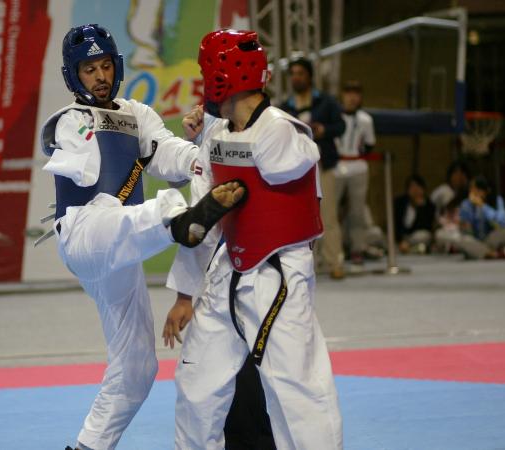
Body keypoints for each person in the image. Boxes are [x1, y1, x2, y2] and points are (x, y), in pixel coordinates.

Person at [42, 24, 246, 450]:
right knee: (144, 210)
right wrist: (76, 142)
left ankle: (87, 446)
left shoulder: (137, 115)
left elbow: (173, 154)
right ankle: (182, 223)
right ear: (72, 76)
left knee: (137, 367)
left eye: (103, 67)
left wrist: (206, 146)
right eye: (88, 70)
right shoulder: (70, 122)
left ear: (115, 67)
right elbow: (70, 153)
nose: (98, 77)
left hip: (120, 253)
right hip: (86, 232)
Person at [163, 29, 342, 450]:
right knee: (197, 385)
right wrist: (186, 292)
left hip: (277, 272)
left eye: (207, 70)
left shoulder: (283, 132)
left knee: (295, 391)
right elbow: (205, 216)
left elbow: (298, 160)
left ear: (221, 74)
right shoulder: (219, 134)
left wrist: (212, 122)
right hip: (229, 268)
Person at [278, 57, 346, 279]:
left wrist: (323, 130)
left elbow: (341, 125)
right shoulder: (284, 107)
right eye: (293, 74)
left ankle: (335, 261)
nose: (296, 78)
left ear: (309, 76)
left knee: (328, 215)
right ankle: (304, 264)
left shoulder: (326, 102)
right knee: (298, 217)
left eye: (300, 73)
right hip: (296, 168)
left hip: (322, 164)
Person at [333, 80, 376, 264]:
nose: (352, 97)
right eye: (348, 93)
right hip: (336, 167)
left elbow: (370, 144)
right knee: (330, 211)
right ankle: (332, 250)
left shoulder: (366, 120)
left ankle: (358, 248)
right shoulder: (334, 116)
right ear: (342, 95)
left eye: (356, 93)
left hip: (357, 166)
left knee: (358, 211)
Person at [457, 176, 505, 259]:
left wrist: (482, 206)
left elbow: (502, 222)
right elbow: (465, 230)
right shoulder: (466, 204)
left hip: (491, 239)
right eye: (471, 189)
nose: (473, 192)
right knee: (458, 238)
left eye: (476, 189)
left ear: (486, 191)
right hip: (474, 240)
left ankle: (481, 252)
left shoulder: (497, 200)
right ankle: (494, 253)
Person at [393, 175, 436, 254]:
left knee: (424, 235)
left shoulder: (429, 206)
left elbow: (426, 227)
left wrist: (420, 209)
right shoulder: (399, 203)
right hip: (401, 238)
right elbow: (396, 225)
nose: (415, 190)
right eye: (412, 187)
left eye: (418, 187)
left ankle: (410, 249)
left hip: (416, 238)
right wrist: (401, 241)